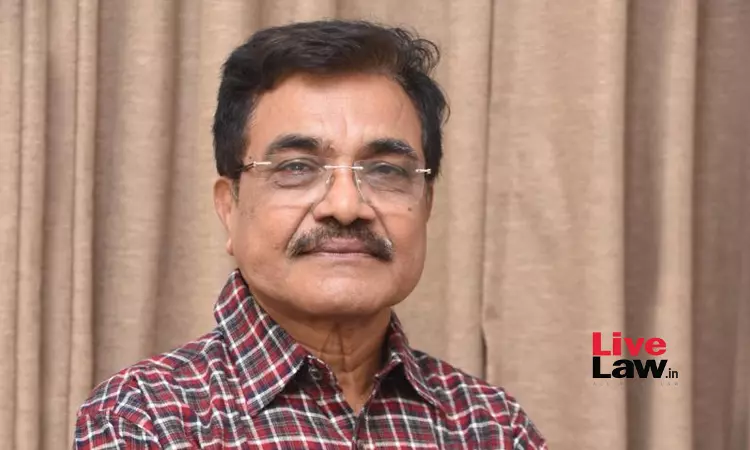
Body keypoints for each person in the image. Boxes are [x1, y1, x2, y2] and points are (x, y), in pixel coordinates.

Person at [74, 20, 547, 449]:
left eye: (385, 170)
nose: (345, 206)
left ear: (426, 205)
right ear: (229, 207)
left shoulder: (491, 426)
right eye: (297, 168)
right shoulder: (147, 418)